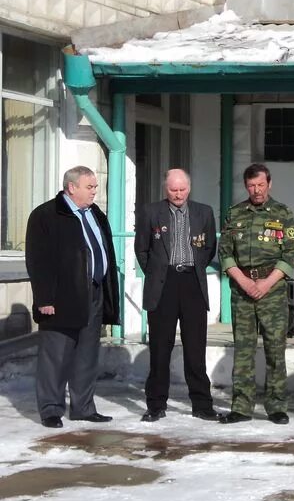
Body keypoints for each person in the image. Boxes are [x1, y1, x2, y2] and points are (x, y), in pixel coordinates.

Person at [25, 166, 120, 428]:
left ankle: (83, 407)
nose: (94, 191)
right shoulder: (46, 215)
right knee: (56, 355)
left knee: (87, 354)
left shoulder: (95, 213)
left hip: (94, 292)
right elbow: (37, 260)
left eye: (95, 186)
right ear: (71, 187)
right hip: (61, 297)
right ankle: (51, 409)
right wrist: (44, 298)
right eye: (89, 187)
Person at [134, 169, 219, 422]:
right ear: (166, 189)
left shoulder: (204, 212)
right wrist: (157, 272)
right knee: (160, 348)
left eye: (182, 189)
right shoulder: (151, 212)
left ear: (189, 188)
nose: (178, 194)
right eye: (173, 190)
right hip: (163, 283)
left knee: (195, 348)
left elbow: (209, 247)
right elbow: (142, 249)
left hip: (192, 282)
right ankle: (156, 404)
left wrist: (195, 266)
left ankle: (202, 404)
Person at [217, 164, 294, 424]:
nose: (257, 190)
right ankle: (241, 407)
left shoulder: (283, 213)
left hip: (272, 290)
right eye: (252, 186)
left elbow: (291, 254)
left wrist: (266, 283)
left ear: (269, 184)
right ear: (246, 186)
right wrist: (243, 281)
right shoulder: (235, 213)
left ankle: (276, 406)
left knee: (275, 349)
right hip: (242, 289)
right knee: (243, 350)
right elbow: (225, 252)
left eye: (261, 185)